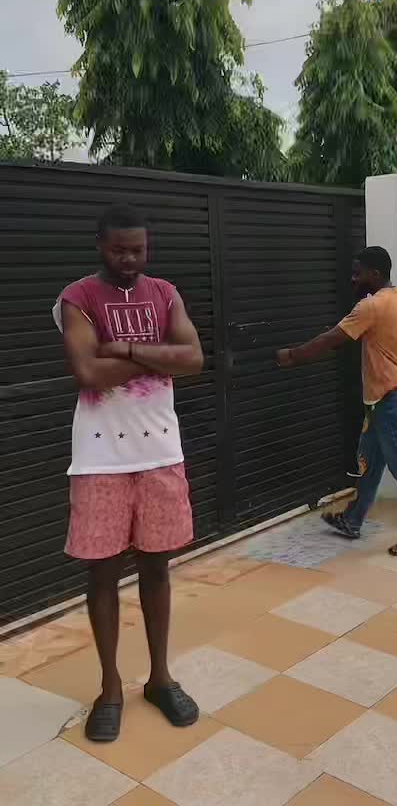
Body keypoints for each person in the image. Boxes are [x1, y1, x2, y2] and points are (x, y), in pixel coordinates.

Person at [52, 204, 204, 743]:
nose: (130, 259)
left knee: (157, 570)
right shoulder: (78, 298)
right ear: (100, 245)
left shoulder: (165, 293)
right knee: (101, 575)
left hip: (160, 454)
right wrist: (159, 356)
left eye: (138, 249)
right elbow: (88, 372)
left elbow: (195, 358)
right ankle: (110, 688)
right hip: (100, 461)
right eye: (119, 249)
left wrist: (126, 348)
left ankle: (160, 678)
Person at [276, 246, 397, 555]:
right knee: (368, 463)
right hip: (386, 401)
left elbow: (331, 339)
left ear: (375, 274)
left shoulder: (371, 306)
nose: (353, 278)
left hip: (392, 402)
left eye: (358, 273)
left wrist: (292, 356)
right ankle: (352, 520)